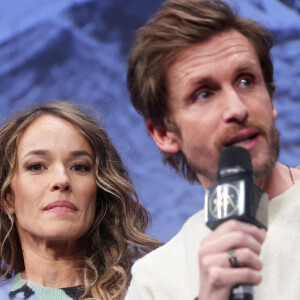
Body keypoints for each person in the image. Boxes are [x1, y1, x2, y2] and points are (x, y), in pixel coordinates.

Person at [125, 0, 300, 299]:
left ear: (270, 100)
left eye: (246, 81)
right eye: (203, 93)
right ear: (164, 133)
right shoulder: (155, 281)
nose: (237, 108)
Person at [0, 101, 161, 300]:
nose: (62, 179)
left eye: (79, 167)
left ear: (99, 193)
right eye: (36, 166)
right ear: (7, 198)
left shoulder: (146, 293)